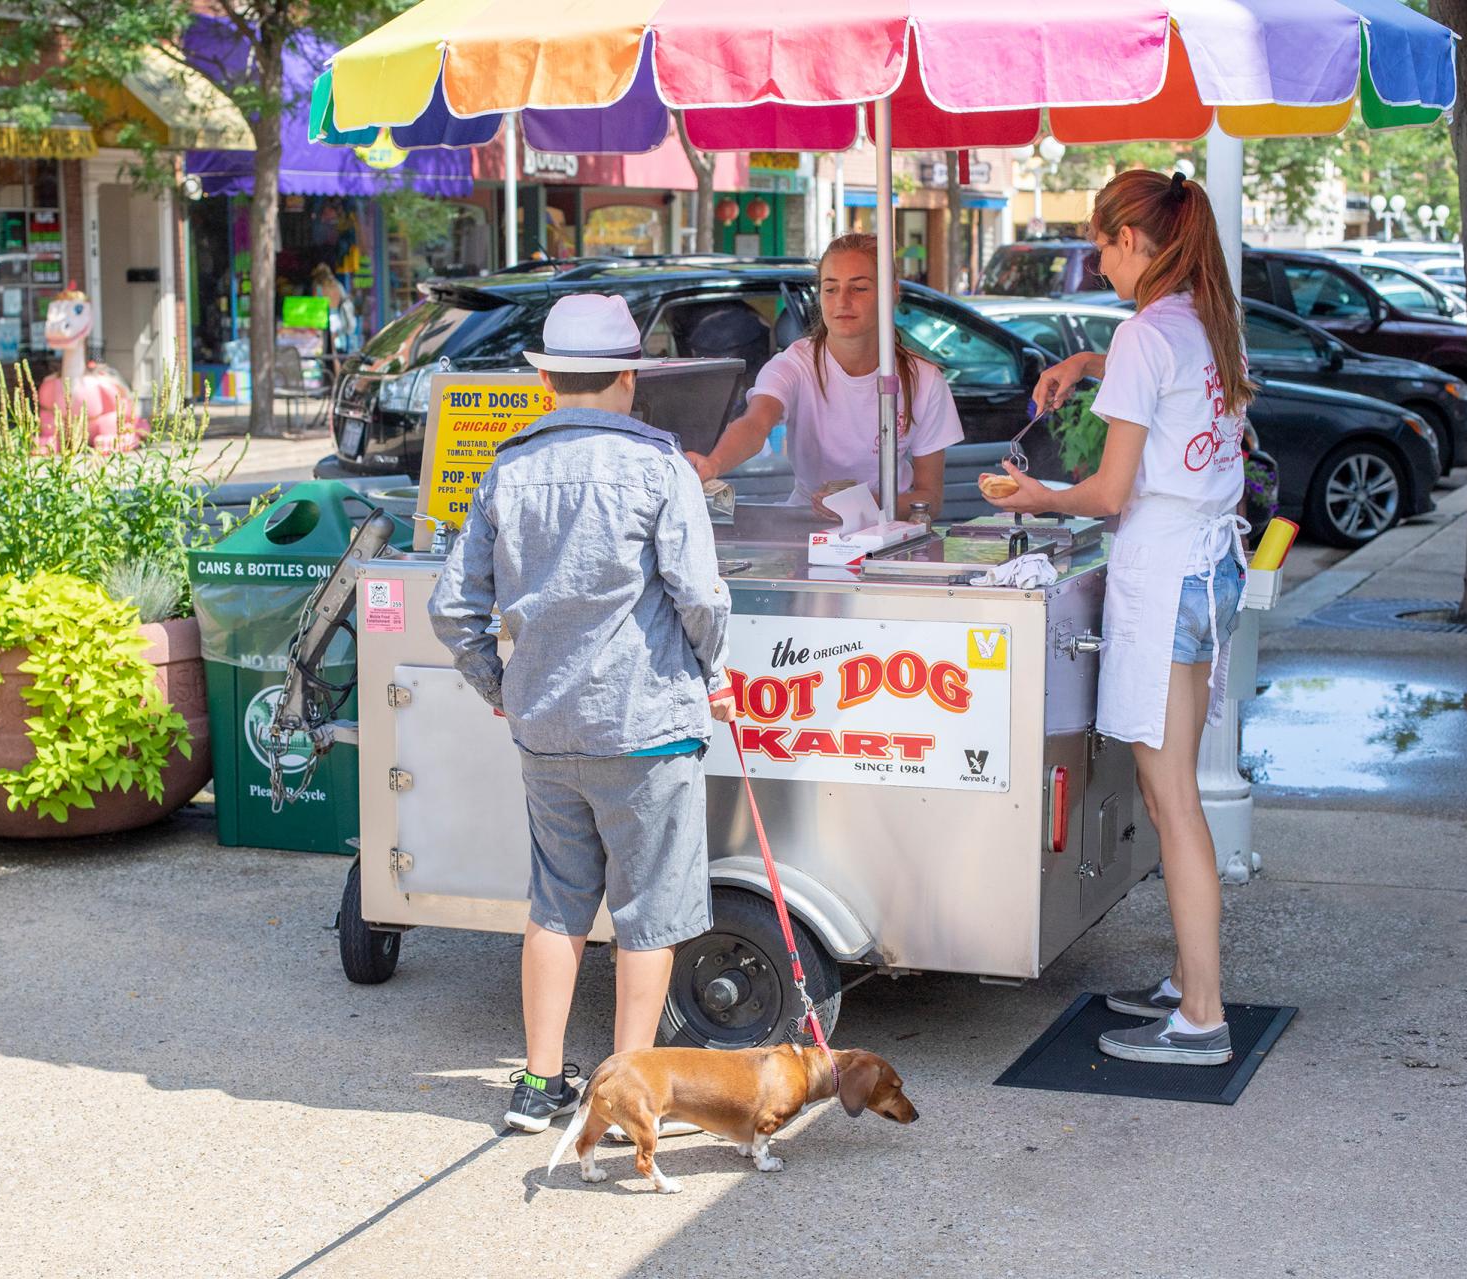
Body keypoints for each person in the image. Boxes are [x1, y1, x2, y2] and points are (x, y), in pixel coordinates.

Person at [429, 293, 736, 1132]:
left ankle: (537, 1085)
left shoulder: (507, 467)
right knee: (649, 912)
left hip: (546, 730)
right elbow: (700, 596)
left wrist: (502, 687)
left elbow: (453, 607)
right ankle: (622, 1086)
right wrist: (710, 670)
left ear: (549, 379)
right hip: (648, 725)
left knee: (557, 904)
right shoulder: (660, 465)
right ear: (628, 378)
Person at [985, 169, 1252, 1067]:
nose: (1095, 258)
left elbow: (1107, 491)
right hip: (1206, 567)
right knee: (1169, 788)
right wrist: (1091, 362)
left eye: (1101, 241)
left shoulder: (1150, 332)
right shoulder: (1206, 319)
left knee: (1171, 795)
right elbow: (1165, 394)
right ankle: (1191, 972)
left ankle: (1202, 1016)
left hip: (1168, 568)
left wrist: (1034, 493)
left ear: (1137, 241)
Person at [685, 233, 963, 519]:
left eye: (859, 288)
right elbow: (755, 424)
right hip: (804, 528)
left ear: (891, 292)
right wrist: (713, 463)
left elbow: (930, 499)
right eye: (831, 289)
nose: (842, 301)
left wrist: (869, 503)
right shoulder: (793, 365)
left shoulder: (925, 380)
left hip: (891, 534)